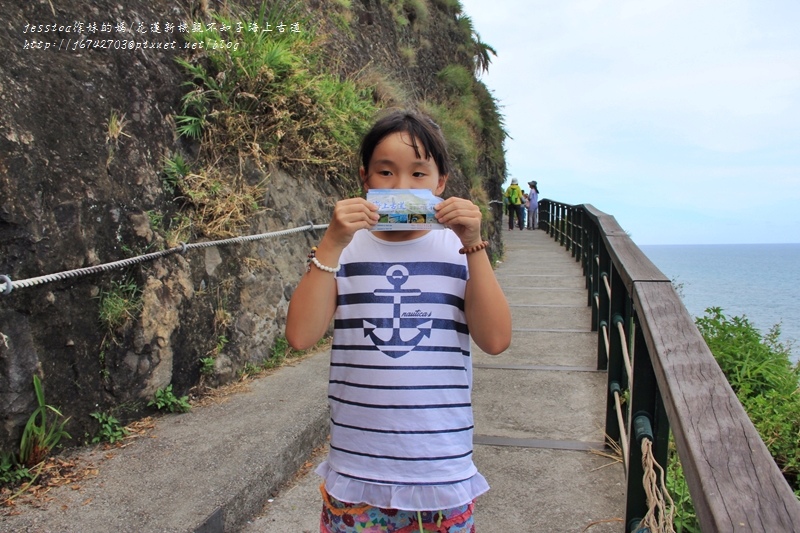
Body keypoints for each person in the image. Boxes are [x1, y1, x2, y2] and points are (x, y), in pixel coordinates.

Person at [285, 109, 512, 533]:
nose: (401, 187)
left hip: (440, 470)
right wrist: (332, 242)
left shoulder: (458, 251)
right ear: (364, 179)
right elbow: (300, 336)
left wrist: (474, 245)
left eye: (418, 174)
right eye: (385, 172)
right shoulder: (344, 251)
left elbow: (496, 339)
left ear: (441, 183)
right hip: (356, 471)